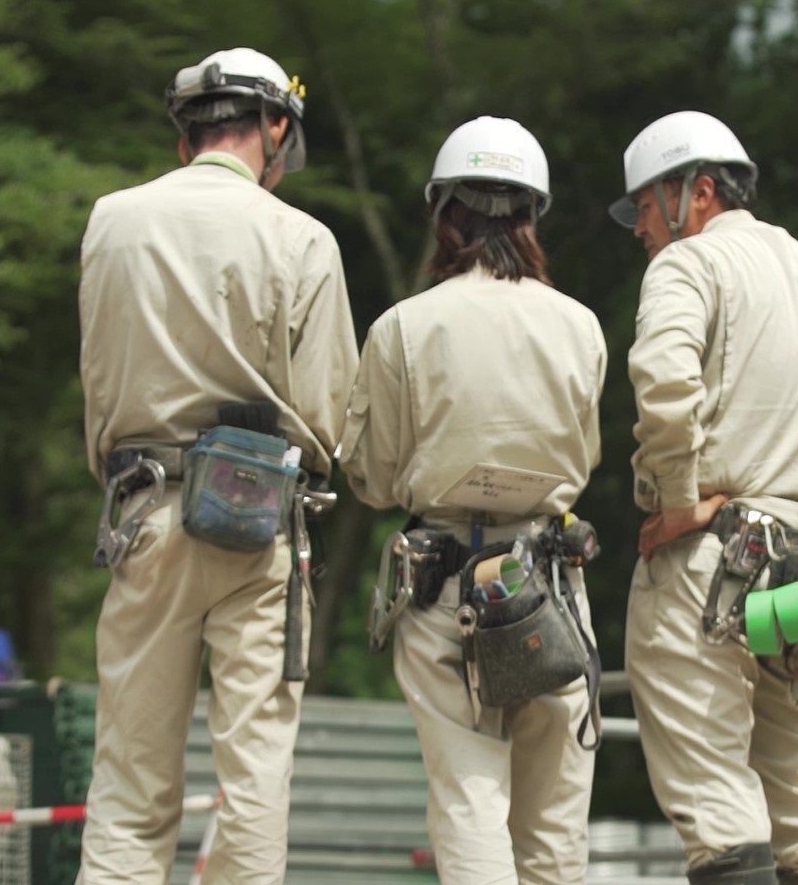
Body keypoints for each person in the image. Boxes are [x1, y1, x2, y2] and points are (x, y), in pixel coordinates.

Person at [77, 47, 357, 883]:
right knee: (254, 779)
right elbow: (328, 410)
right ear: (276, 127)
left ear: (185, 133)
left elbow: (100, 378)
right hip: (259, 517)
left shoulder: (112, 220)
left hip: (145, 508)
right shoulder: (302, 237)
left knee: (129, 780)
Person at [614, 111, 798, 884]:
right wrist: (797, 515)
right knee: (796, 773)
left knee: (715, 796)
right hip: (791, 580)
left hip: (705, 571)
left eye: (645, 204)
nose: (640, 225)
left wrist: (681, 500)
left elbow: (666, 387)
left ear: (697, 192)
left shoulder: (687, 267)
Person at [341, 116, 607, 885]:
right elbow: (583, 458)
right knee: (555, 818)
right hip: (547, 585)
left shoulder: (404, 327)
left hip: (445, 586)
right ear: (531, 216)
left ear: (446, 214)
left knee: (470, 803)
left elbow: (376, 477)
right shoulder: (580, 327)